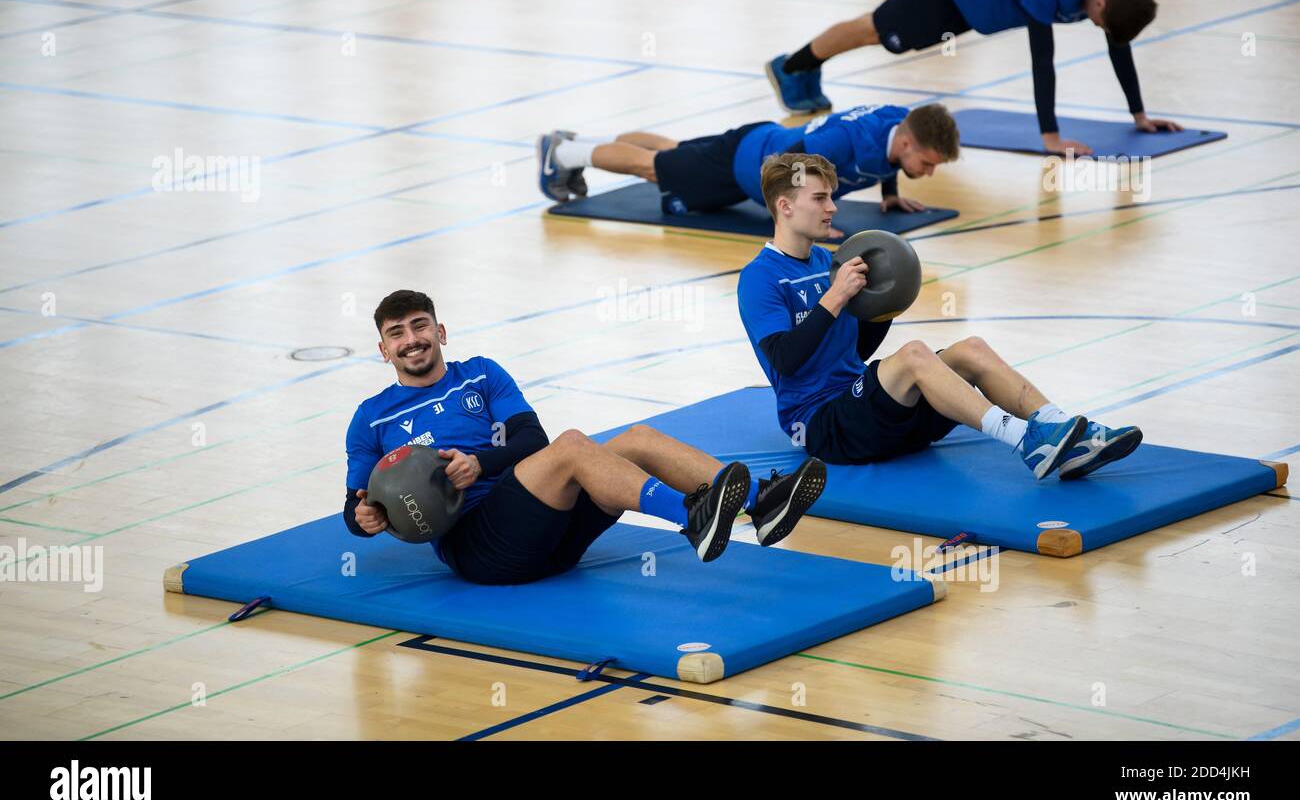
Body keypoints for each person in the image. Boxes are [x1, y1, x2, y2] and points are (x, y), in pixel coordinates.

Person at [342, 290, 827, 585]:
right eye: (397, 333)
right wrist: (364, 518)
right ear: (384, 350)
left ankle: (763, 505)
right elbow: (356, 505)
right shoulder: (372, 418)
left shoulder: (481, 375)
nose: (412, 339)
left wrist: (480, 464)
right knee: (574, 446)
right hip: (482, 550)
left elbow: (531, 440)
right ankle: (692, 518)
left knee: (635, 438)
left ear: (441, 331)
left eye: (420, 325)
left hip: (546, 532)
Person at [736, 153, 1143, 479]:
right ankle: (1027, 442)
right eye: (820, 198)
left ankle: (1070, 434)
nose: (833, 208)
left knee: (970, 349)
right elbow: (785, 361)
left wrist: (883, 307)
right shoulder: (760, 278)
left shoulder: (829, 260)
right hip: (825, 427)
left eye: (831, 196)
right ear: (785, 206)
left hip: (868, 412)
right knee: (914, 355)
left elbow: (853, 351)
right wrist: (836, 297)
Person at [766, 0, 1181, 155]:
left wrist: (1139, 115)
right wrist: (1050, 138)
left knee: (879, 33)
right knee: (876, 30)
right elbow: (1042, 60)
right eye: (1098, 19)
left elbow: (1118, 44)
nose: (1095, 26)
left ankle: (802, 67)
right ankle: (792, 66)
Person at [538, 103, 959, 234]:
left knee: (676, 154)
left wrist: (889, 194)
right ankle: (563, 153)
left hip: (752, 144)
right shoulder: (843, 141)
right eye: (926, 163)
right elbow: (789, 167)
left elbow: (884, 156)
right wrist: (805, 222)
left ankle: (584, 145)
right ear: (907, 143)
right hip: (745, 162)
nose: (929, 172)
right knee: (655, 168)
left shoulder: (900, 124)